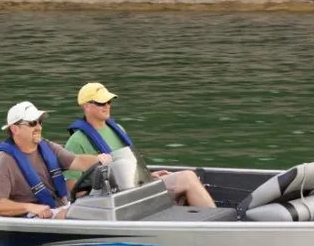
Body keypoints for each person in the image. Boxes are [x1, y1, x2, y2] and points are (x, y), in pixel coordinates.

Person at [64, 82, 216, 208]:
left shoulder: (118, 129)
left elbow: (129, 166)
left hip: (135, 188)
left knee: (189, 176)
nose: (107, 106)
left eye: (109, 101)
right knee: (187, 178)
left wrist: (148, 176)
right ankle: (218, 228)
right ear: (86, 106)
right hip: (114, 200)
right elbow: (73, 190)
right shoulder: (76, 142)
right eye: (100, 103)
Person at [0, 101, 111, 219]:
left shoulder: (48, 147)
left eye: (40, 122)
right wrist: (30, 207)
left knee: (100, 206)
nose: (38, 127)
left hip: (60, 208)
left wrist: (100, 159)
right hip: (33, 218)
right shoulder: (6, 161)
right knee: (84, 213)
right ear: (15, 129)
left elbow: (77, 161)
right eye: (32, 123)